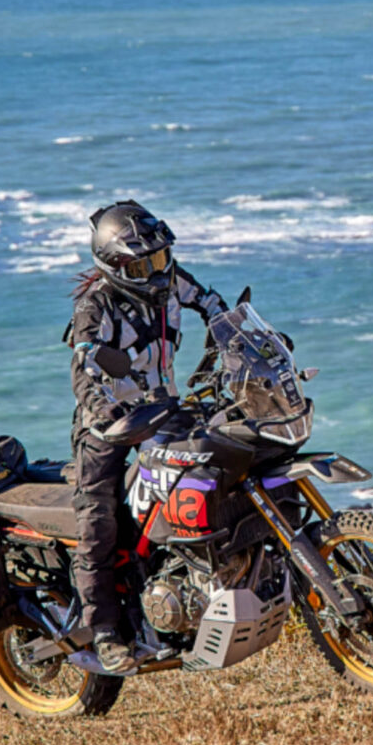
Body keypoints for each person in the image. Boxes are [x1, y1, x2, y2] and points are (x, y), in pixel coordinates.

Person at [63, 200, 226, 673]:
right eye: (144, 263)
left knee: (210, 478)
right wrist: (105, 410)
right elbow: (85, 365)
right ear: (115, 267)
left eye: (160, 257)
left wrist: (247, 342)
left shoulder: (173, 280)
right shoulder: (94, 306)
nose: (157, 270)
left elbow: (214, 307)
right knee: (99, 520)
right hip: (109, 426)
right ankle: (107, 632)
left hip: (166, 411)